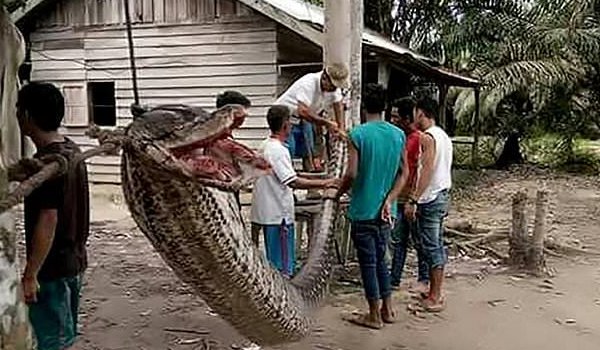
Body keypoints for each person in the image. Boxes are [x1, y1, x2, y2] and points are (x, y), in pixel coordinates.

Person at [16, 82, 90, 350]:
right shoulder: (71, 150)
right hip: (75, 261)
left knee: (50, 342)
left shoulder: (49, 165)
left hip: (53, 268)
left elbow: (49, 219)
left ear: (25, 116)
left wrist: (30, 274)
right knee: (62, 336)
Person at [333, 84, 409, 329]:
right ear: (386, 107)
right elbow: (403, 173)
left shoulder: (358, 134)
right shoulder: (398, 135)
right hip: (387, 211)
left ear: (364, 107)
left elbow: (352, 173)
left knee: (368, 263)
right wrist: (390, 198)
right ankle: (387, 309)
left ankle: (373, 314)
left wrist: (338, 192)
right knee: (381, 261)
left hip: (363, 209)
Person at [250, 105, 338, 277]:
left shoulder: (265, 145)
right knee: (282, 268)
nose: (291, 126)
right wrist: (326, 183)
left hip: (267, 212)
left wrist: (318, 179)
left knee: (275, 261)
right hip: (278, 215)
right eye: (290, 123)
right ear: (285, 125)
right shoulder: (278, 150)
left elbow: (291, 175)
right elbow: (293, 182)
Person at [383, 96, 453, 312]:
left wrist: (413, 198)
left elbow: (427, 170)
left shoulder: (428, 138)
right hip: (438, 194)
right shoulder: (443, 136)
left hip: (430, 198)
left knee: (432, 246)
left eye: (415, 112)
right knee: (431, 244)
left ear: (421, 113)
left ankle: (436, 295)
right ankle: (432, 290)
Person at [388, 97, 430, 293]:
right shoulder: (400, 137)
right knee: (399, 240)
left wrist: (413, 198)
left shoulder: (416, 139)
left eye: (396, 117)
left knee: (417, 240)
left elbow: (417, 170)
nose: (393, 120)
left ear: (406, 119)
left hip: (411, 197)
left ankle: (424, 278)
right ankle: (394, 278)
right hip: (399, 194)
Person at [275, 63, 348, 172]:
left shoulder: (333, 89)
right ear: (324, 78)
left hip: (304, 119)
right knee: (288, 150)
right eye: (332, 85)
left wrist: (341, 128)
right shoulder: (309, 83)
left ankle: (310, 182)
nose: (334, 89)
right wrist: (327, 123)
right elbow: (303, 111)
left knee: (309, 151)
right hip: (285, 118)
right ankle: (287, 180)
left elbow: (338, 105)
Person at [214, 91, 261, 247]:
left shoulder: (225, 134)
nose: (245, 116)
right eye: (242, 112)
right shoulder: (215, 136)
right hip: (220, 194)